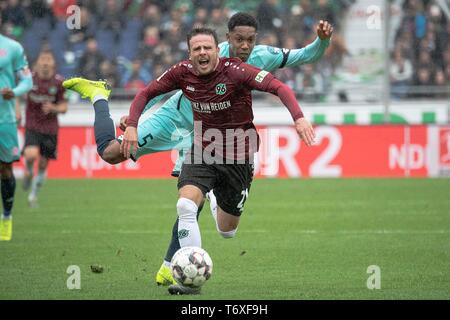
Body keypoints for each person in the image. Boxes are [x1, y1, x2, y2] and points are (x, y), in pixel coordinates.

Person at [63, 12, 333, 286]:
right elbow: (156, 89)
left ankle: (173, 262)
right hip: (178, 120)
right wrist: (133, 122)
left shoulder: (258, 59)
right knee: (115, 156)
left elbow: (306, 56)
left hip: (223, 140)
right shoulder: (204, 55)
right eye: (238, 40)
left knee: (214, 220)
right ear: (225, 41)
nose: (244, 46)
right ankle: (98, 95)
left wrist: (322, 41)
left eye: (249, 41)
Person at [21, 50, 67, 207]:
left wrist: (54, 108)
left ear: (53, 63)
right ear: (38, 62)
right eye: (43, 59)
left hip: (50, 129)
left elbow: (64, 107)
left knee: (42, 164)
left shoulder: (59, 83)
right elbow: (17, 92)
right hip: (32, 125)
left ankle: (33, 196)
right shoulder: (29, 79)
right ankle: (28, 171)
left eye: (49, 59)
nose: (46, 62)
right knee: (31, 155)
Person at [0, 30, 33, 241]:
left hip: (5, 119)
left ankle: (7, 216)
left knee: (5, 168)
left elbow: (27, 81)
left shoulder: (12, 47)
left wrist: (15, 91)